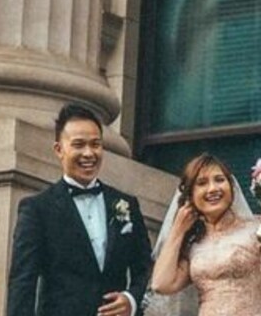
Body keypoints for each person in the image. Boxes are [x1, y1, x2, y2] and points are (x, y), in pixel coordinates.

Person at [8, 104, 153, 316]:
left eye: (96, 144)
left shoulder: (126, 204)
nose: (89, 153)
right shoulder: (37, 209)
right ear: (59, 149)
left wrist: (131, 299)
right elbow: (23, 283)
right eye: (79, 145)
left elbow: (145, 267)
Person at [145, 154, 261, 316]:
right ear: (190, 196)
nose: (213, 189)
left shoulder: (257, 229)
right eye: (202, 183)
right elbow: (160, 284)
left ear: (231, 186)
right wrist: (178, 229)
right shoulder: (194, 244)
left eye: (219, 180)